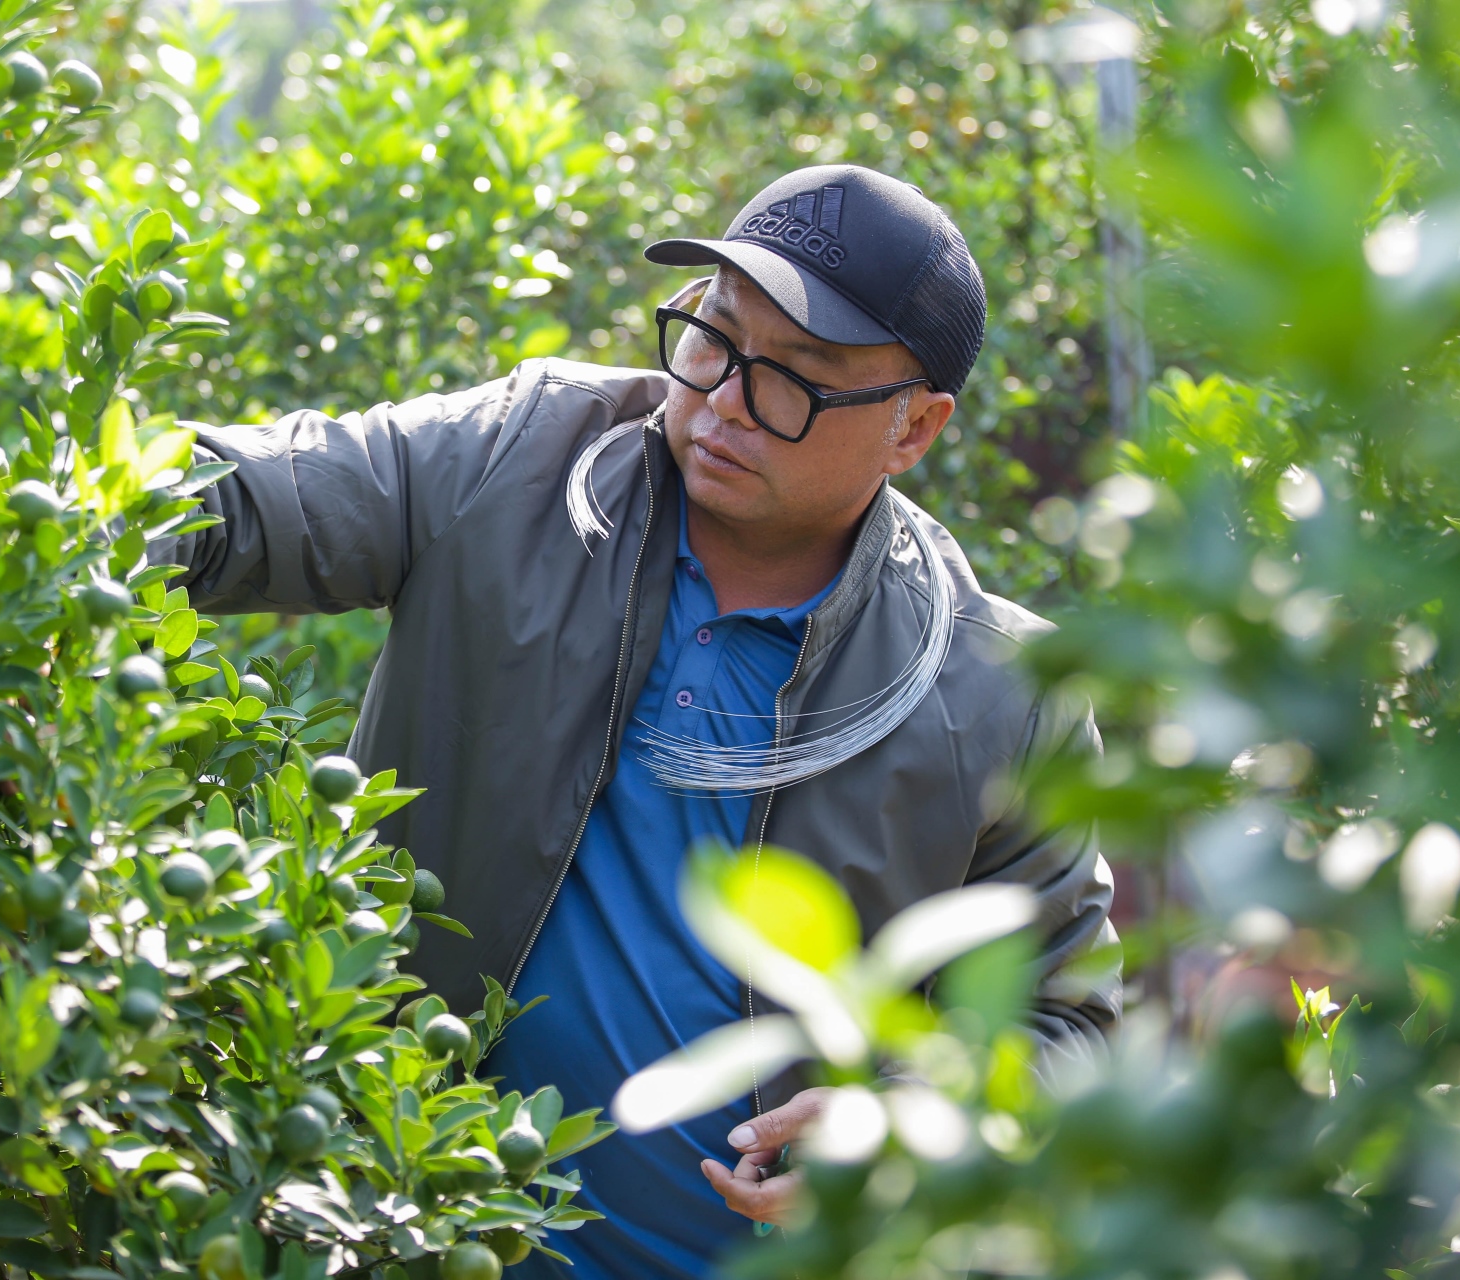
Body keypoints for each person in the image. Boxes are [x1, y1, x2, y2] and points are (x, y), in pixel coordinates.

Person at [151, 163, 1119, 1277]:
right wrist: (32, 516)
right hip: (397, 1230)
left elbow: (1068, 1023)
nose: (721, 400)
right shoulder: (524, 458)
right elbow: (244, 499)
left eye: (794, 381)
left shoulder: (1000, 693)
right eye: (712, 337)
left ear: (914, 429)